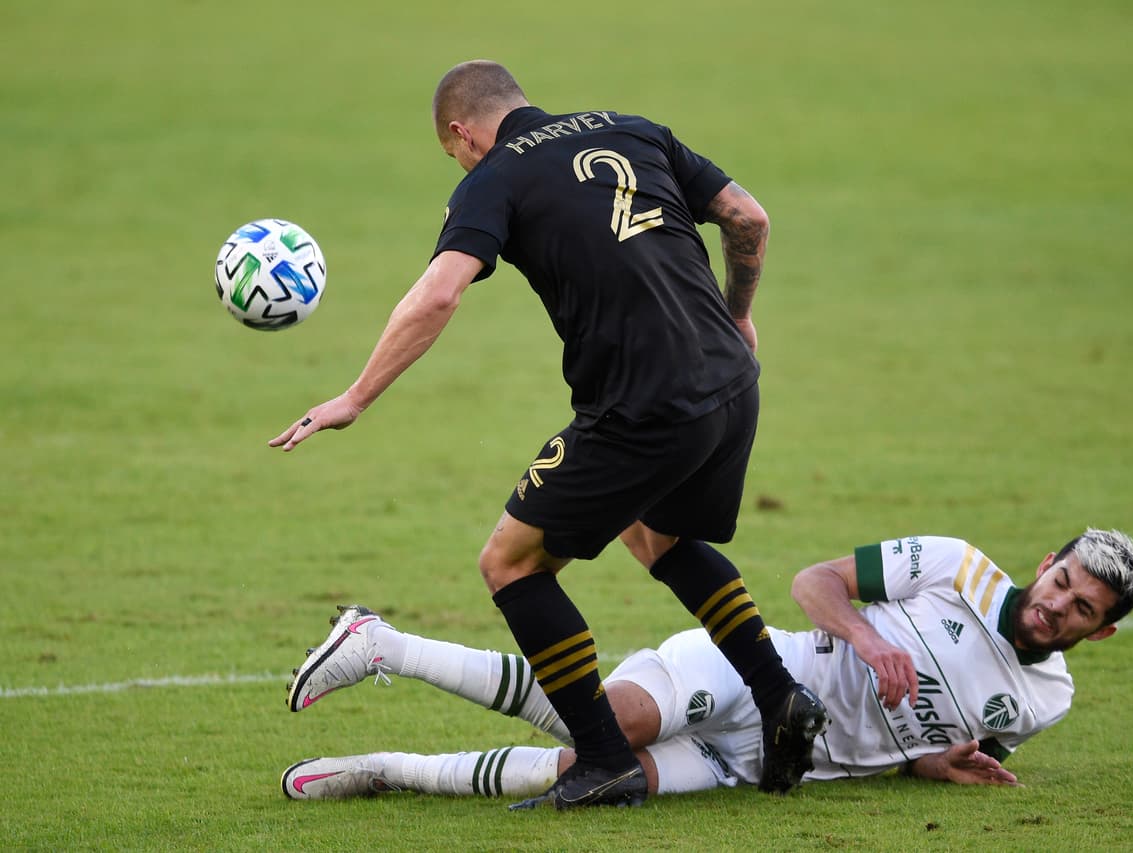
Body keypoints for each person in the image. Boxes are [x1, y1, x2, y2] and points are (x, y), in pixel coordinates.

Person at [270, 60, 825, 809]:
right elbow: (748, 218)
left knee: (511, 562)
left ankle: (605, 760)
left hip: (644, 406)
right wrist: (740, 314)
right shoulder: (634, 129)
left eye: (454, 152)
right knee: (654, 533)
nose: (461, 163)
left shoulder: (493, 176)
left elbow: (439, 294)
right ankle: (781, 696)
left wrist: (355, 397)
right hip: (732, 382)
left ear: (463, 133)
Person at [280, 528, 1133, 801]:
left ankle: (383, 769)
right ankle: (383, 644)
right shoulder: (956, 567)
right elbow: (813, 583)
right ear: (1047, 561)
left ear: (1101, 631)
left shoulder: (1045, 701)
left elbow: (931, 755)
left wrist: (936, 765)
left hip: (764, 766)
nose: (1057, 604)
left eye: (1082, 608)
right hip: (755, 673)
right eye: (1062, 580)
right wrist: (870, 638)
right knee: (614, 723)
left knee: (592, 774)